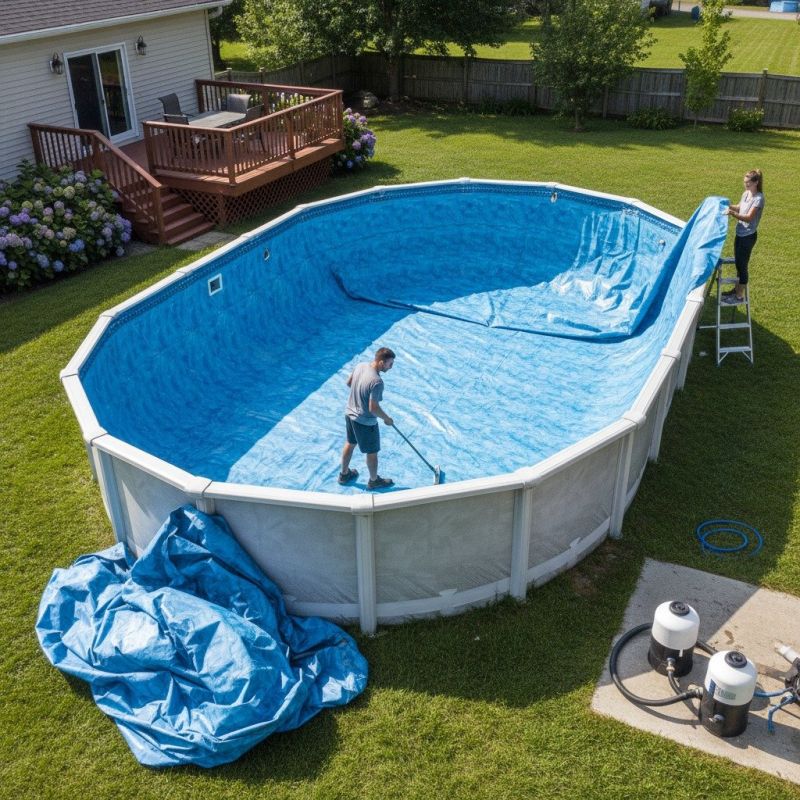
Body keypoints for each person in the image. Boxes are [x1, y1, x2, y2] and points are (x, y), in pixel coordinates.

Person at [339, 347, 395, 490]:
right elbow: (373, 408)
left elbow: (349, 383)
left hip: (349, 414)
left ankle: (344, 475)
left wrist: (360, 393)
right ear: (381, 362)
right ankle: (374, 481)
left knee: (350, 443)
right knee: (372, 452)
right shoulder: (377, 382)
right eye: (390, 364)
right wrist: (387, 419)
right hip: (365, 422)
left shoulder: (361, 365)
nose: (391, 367)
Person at [723, 169, 764, 305]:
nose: (745, 185)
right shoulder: (746, 194)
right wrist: (728, 206)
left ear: (756, 182)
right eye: (745, 182)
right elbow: (739, 208)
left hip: (748, 237)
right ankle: (736, 290)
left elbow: (748, 218)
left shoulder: (759, 199)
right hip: (739, 234)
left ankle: (739, 296)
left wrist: (732, 214)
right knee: (738, 264)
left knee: (742, 266)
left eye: (748, 183)